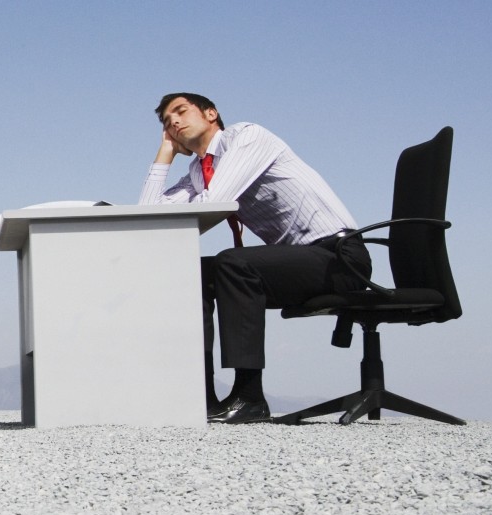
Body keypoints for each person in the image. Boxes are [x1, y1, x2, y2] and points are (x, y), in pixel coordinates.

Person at [140, 92, 371, 424]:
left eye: (180, 111)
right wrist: (165, 152)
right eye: (166, 121)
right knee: (192, 272)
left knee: (233, 263)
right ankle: (202, 398)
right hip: (297, 261)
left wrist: (192, 196)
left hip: (339, 258)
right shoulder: (198, 172)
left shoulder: (247, 137)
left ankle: (248, 398)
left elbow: (214, 201)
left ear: (210, 113)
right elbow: (149, 218)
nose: (173, 121)